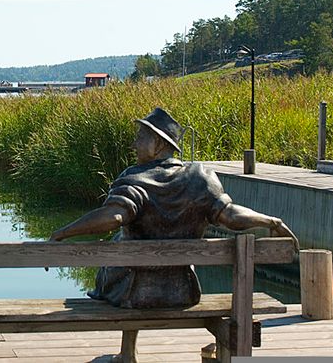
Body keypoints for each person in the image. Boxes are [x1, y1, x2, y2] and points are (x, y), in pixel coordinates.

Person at [49, 107, 298, 309]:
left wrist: (62, 233)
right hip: (183, 292)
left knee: (120, 246)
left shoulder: (135, 180)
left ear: (157, 143)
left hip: (132, 293)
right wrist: (270, 221)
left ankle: (128, 352)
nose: (134, 144)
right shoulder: (201, 178)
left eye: (140, 137)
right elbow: (230, 216)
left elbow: (114, 216)